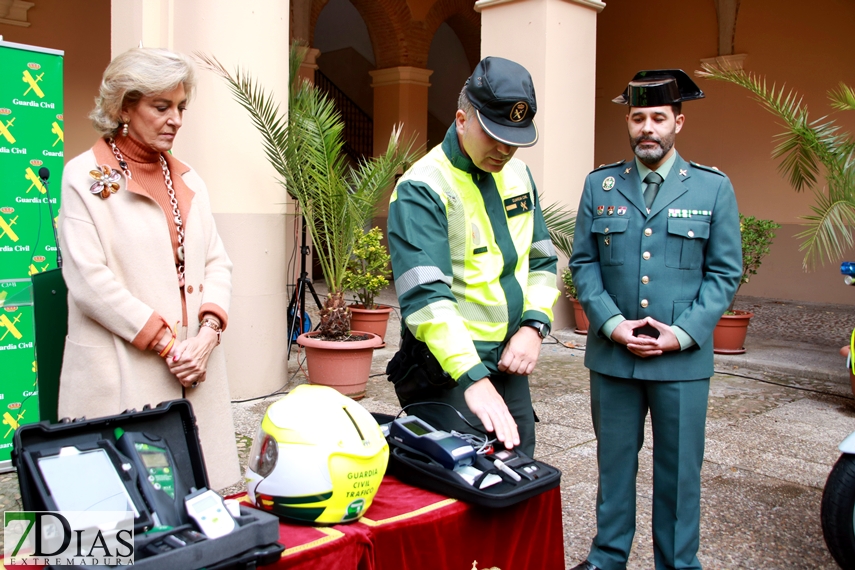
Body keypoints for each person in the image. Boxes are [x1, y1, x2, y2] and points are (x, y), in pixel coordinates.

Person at [568, 70, 742, 570]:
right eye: (639, 117)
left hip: (681, 364)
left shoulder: (712, 188)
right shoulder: (599, 183)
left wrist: (683, 334)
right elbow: (583, 263)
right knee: (614, 465)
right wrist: (610, 324)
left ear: (678, 123)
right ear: (628, 120)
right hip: (613, 358)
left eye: (659, 118)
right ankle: (606, 558)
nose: (648, 127)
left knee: (680, 472)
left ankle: (678, 563)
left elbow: (725, 272)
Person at [57, 48, 239, 490]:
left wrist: (207, 336)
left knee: (198, 505)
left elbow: (217, 261)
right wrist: (168, 345)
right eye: (161, 107)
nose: (175, 118)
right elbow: (88, 280)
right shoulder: (82, 176)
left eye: (181, 107)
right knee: (122, 516)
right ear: (123, 106)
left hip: (194, 366)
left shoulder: (190, 179)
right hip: (124, 369)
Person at [386, 56, 559, 456]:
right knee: (465, 482)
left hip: (512, 359)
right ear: (462, 119)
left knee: (518, 473)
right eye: (493, 134)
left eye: (514, 139)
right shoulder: (423, 186)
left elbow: (543, 262)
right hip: (449, 372)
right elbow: (427, 298)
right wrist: (473, 378)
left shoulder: (519, 176)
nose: (504, 150)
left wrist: (534, 327)